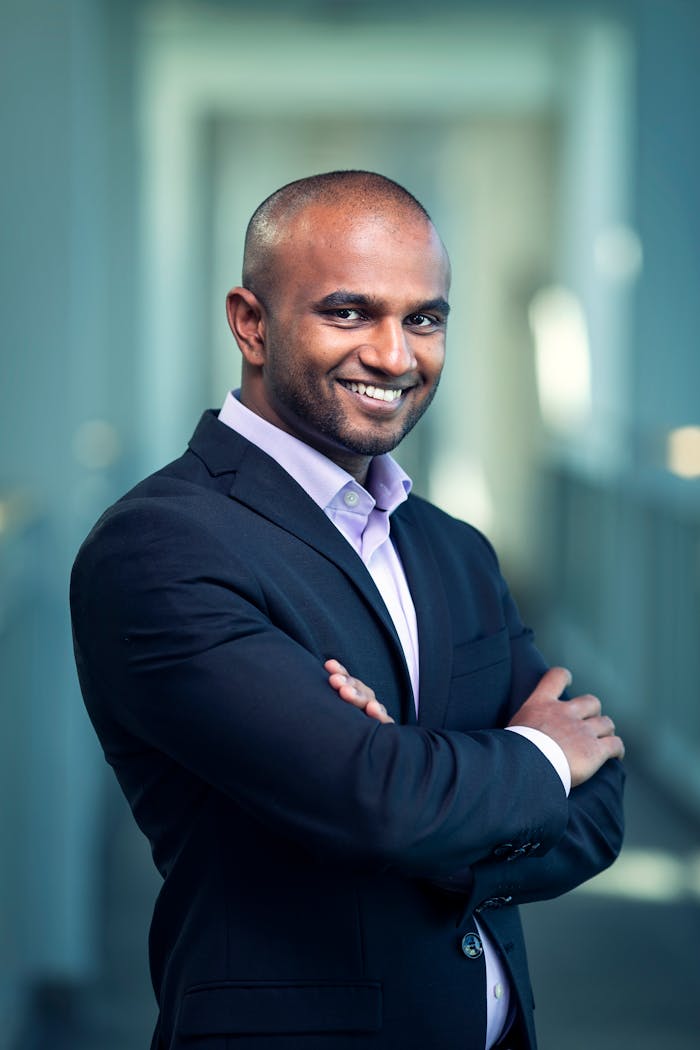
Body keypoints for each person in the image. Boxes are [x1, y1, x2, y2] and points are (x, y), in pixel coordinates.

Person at [70, 171, 625, 1050]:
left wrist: (414, 785)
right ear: (251, 322)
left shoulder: (453, 548)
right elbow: (379, 801)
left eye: (424, 319)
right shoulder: (161, 546)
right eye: (349, 312)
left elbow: (602, 810)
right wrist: (536, 756)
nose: (396, 356)